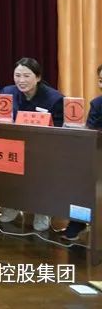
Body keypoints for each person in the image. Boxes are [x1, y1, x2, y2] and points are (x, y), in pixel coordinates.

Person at [0, 57, 63, 231]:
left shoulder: (55, 98)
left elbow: (60, 129)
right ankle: (12, 204)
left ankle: (42, 210)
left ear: (38, 77)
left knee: (40, 170)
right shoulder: (7, 92)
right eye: (17, 75)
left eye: (26, 76)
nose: (21, 80)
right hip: (13, 146)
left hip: (44, 150)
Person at [61, 63, 102, 241]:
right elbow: (91, 133)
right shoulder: (98, 104)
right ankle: (79, 222)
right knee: (80, 176)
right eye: (101, 80)